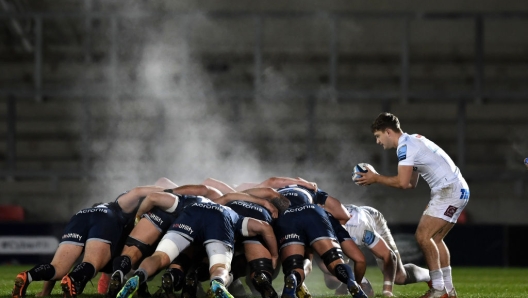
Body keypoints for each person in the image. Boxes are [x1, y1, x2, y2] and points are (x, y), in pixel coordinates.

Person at [355, 112, 470, 298]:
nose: (378, 141)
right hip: (457, 188)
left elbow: (401, 182)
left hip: (449, 189)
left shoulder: (405, 147)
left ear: (388, 132)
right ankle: (448, 290)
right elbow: (410, 184)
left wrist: (375, 178)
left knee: (423, 237)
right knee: (436, 239)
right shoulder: (414, 140)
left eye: (378, 136)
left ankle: (439, 290)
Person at [114, 191, 279, 298]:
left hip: (190, 214)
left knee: (160, 256)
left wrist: (139, 215)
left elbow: (153, 196)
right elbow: (264, 227)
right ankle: (218, 284)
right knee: (219, 266)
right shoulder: (232, 214)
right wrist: (274, 254)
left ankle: (138, 276)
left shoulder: (192, 200)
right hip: (219, 221)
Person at [12, 185, 165, 298]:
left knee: (57, 267)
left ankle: (28, 276)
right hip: (104, 219)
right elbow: (138, 191)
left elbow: (58, 266)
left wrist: (45, 293)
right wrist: (169, 192)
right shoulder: (116, 206)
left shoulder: (88, 210)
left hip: (78, 216)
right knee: (91, 263)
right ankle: (73, 279)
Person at [105, 184, 225, 298]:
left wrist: (139, 216)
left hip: (163, 213)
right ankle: (172, 277)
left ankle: (125, 273)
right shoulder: (217, 209)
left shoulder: (178, 197)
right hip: (190, 221)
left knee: (134, 252)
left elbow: (152, 197)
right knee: (181, 258)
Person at [255, 181, 368, 298]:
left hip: (286, 216)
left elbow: (271, 182)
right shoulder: (311, 189)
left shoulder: (272, 192)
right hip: (312, 212)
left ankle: (292, 277)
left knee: (293, 264)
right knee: (334, 261)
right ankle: (351, 282)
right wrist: (334, 225)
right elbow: (343, 215)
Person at [318, 204, 431, 297]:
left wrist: (387, 291)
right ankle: (349, 282)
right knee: (332, 279)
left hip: (373, 219)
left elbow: (388, 255)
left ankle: (431, 275)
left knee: (399, 277)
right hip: (349, 227)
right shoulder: (318, 229)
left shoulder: (360, 228)